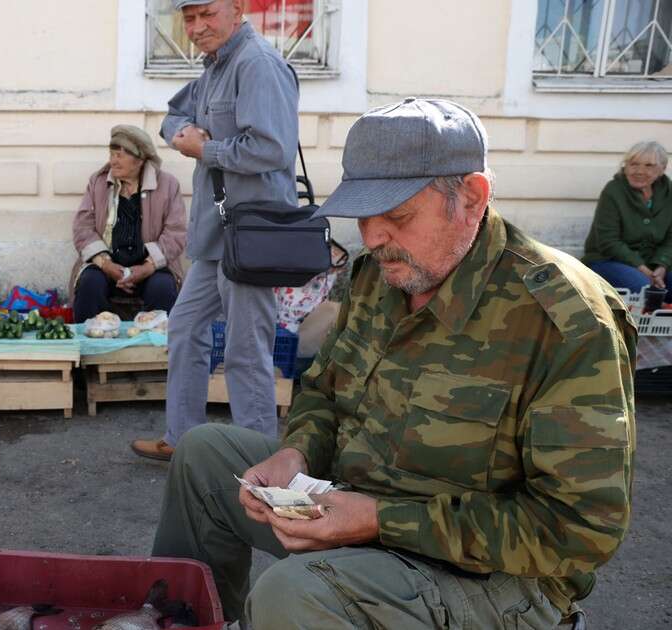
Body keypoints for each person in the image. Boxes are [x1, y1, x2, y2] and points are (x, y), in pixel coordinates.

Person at [151, 98, 636, 627]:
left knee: (292, 594)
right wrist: (297, 453)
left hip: (491, 577)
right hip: (360, 509)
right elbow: (323, 392)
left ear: (472, 197)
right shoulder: (376, 276)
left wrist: (381, 521)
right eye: (363, 215)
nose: (374, 237)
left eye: (398, 215)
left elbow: (577, 530)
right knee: (204, 454)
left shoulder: (564, 318)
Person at [131, 0, 300, 461]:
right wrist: (185, 133)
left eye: (207, 13)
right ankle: (183, 440)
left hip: (253, 235)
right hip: (216, 235)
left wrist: (207, 150)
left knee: (246, 352)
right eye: (189, 17)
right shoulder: (214, 68)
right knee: (184, 327)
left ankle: (258, 458)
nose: (198, 26)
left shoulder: (257, 64)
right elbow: (172, 116)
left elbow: (272, 149)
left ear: (238, 9)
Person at [69, 124, 187, 323]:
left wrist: (148, 267)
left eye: (120, 155)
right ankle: (88, 348)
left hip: (151, 267)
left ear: (139, 159)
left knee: (162, 287)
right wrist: (105, 264)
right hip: (107, 265)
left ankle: (157, 349)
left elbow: (176, 232)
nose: (113, 161)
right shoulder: (98, 183)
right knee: (90, 282)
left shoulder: (167, 185)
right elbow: (82, 227)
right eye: (112, 154)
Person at [582, 140, 671, 292]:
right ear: (625, 166)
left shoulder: (669, 193)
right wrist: (643, 268)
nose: (639, 171)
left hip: (654, 263)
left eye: (649, 165)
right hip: (608, 261)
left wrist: (662, 265)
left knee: (661, 288)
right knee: (643, 288)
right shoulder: (613, 191)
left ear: (662, 169)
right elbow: (609, 242)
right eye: (633, 164)